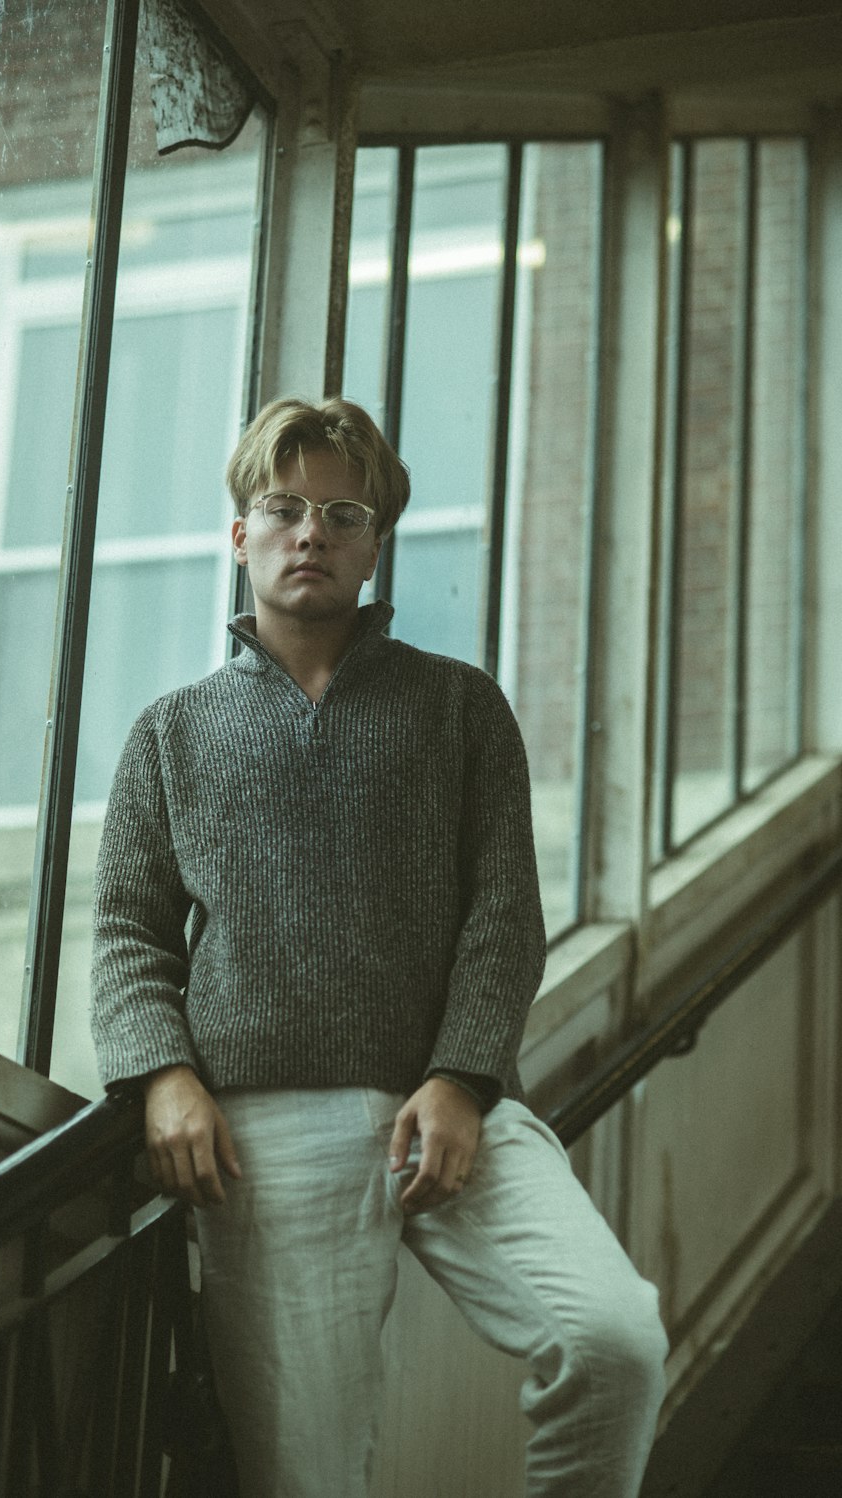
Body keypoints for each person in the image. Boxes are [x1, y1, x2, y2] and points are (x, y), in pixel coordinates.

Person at [91, 396, 668, 1498]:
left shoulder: (459, 708)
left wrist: (459, 1079)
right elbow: (127, 932)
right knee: (307, 1477)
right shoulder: (170, 731)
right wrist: (161, 1076)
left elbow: (504, 919)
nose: (311, 530)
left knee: (613, 1339)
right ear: (241, 534)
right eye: (283, 506)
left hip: (452, 1112)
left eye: (341, 511)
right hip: (262, 1138)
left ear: (373, 541)